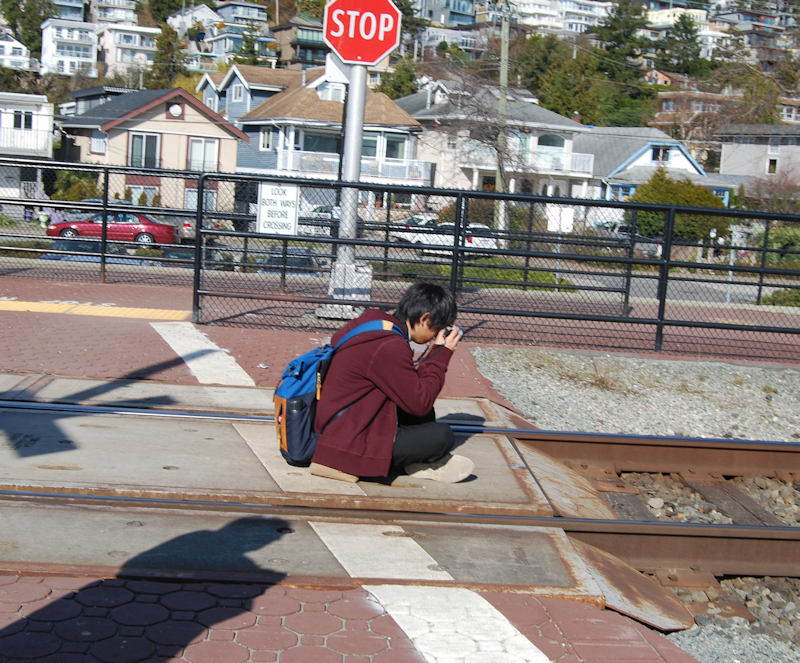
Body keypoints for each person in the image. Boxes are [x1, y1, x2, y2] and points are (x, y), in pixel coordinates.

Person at [309, 282, 473, 484]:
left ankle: (414, 459)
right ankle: (410, 462)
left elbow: (413, 392)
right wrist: (442, 355)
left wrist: (434, 352)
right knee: (442, 436)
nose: (434, 337)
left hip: (336, 425)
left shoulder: (374, 323)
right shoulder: (390, 346)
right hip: (345, 445)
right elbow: (420, 402)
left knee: (423, 413)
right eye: (436, 329)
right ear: (424, 319)